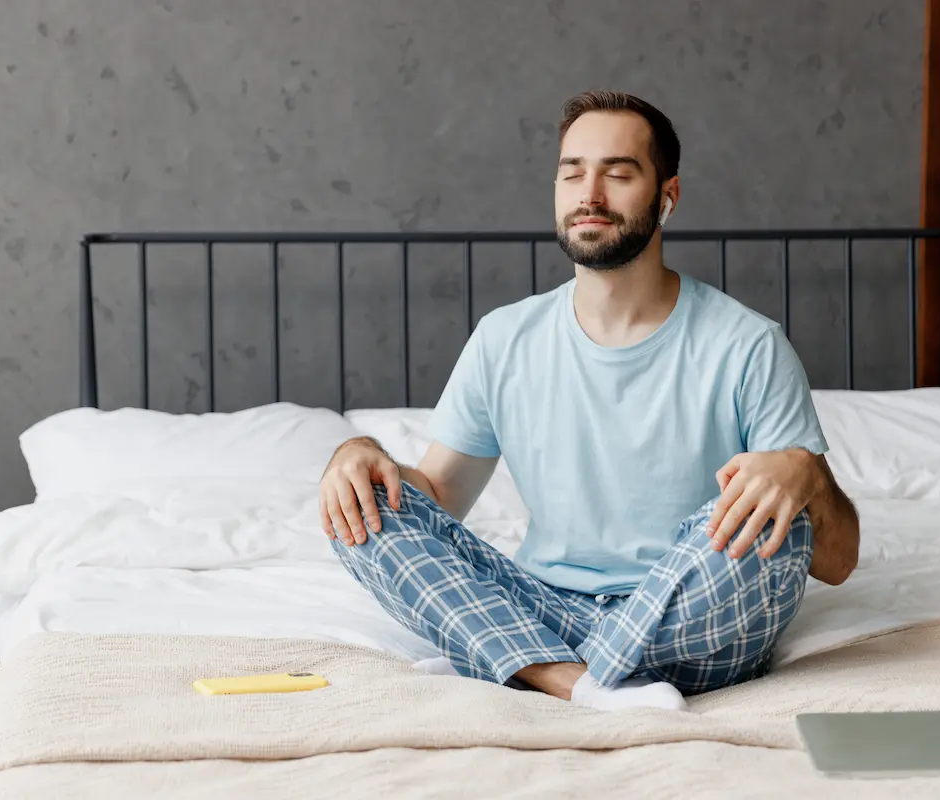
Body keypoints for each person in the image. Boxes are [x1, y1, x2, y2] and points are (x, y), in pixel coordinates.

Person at [318, 89, 859, 712]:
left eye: (619, 173)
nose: (590, 193)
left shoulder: (748, 344)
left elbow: (837, 563)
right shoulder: (504, 338)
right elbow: (436, 497)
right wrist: (356, 452)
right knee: (359, 507)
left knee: (777, 524)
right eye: (572, 172)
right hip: (544, 604)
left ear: (668, 197)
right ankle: (578, 683)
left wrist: (809, 477)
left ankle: (505, 654)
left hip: (694, 609)